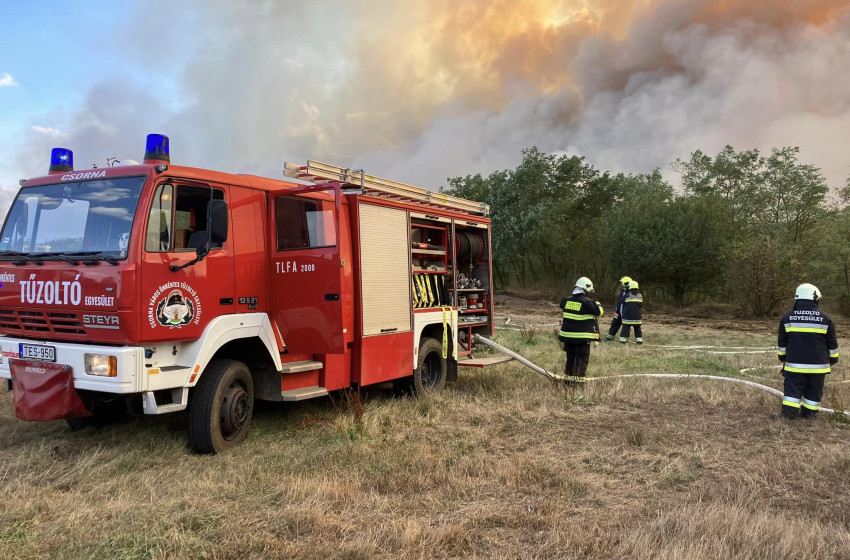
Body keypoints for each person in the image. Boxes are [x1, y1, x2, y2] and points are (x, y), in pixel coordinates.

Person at [777, 283, 839, 419]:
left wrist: (782, 358)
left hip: (794, 366)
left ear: (797, 299)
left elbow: (782, 344)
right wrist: (833, 359)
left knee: (793, 390)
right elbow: (832, 344)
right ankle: (809, 415)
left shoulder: (787, 318)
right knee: (814, 391)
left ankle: (789, 415)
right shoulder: (825, 319)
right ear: (815, 299)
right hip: (818, 368)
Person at [558, 277, 604, 385]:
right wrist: (596, 303)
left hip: (568, 337)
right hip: (581, 338)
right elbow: (599, 312)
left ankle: (568, 382)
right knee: (581, 361)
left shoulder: (566, 300)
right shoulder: (588, 302)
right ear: (586, 289)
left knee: (570, 359)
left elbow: (561, 305)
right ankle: (578, 384)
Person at [606, 276, 632, 341]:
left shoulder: (630, 293)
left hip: (625, 312)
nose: (621, 285)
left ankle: (624, 339)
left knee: (625, 326)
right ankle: (610, 337)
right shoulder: (623, 291)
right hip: (618, 311)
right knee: (614, 323)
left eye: (622, 283)